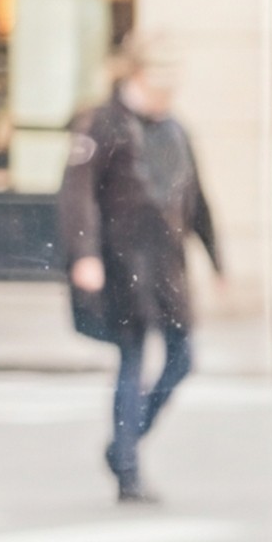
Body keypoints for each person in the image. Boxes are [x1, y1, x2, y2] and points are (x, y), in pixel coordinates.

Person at [54, 44, 216, 505]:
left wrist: (215, 257)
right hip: (124, 263)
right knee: (131, 359)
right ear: (138, 78)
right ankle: (127, 469)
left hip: (166, 265)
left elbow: (196, 197)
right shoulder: (102, 123)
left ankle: (123, 443)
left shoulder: (174, 129)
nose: (167, 94)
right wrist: (84, 254)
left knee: (182, 358)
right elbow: (77, 195)